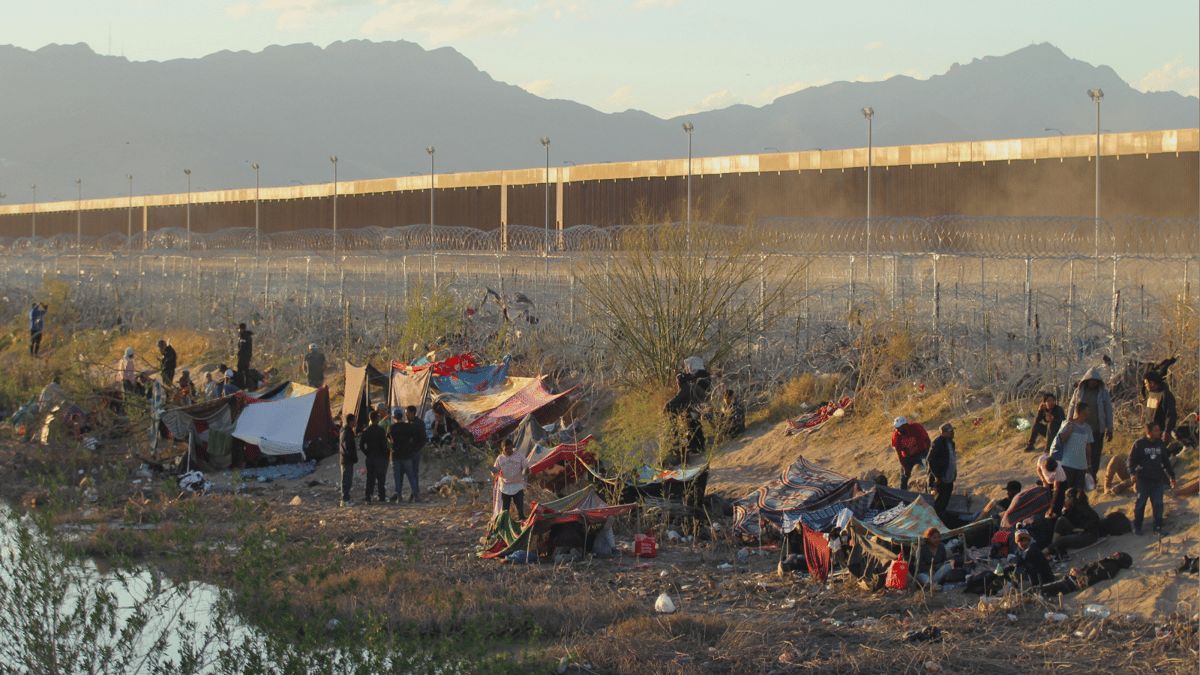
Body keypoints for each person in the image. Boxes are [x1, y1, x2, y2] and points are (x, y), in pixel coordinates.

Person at [1128, 422, 1177, 535]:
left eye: (1159, 430)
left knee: (1158, 504)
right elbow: (1131, 461)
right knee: (1140, 505)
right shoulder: (1139, 444)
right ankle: (1137, 527)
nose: (1159, 432)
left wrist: (1172, 477)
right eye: (1156, 430)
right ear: (1149, 432)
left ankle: (1158, 527)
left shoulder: (1160, 444)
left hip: (1157, 480)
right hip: (1143, 481)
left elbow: (1166, 462)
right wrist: (1132, 473)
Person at [1065, 367, 1113, 480]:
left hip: (1097, 429)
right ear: (1086, 380)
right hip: (1080, 429)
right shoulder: (1079, 391)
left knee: (1095, 455)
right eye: (1091, 380)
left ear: (1098, 381)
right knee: (1080, 454)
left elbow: (1108, 410)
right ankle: (1080, 477)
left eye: (1095, 380)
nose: (1093, 382)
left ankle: (1092, 477)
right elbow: (1072, 407)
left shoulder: (1103, 393)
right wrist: (1068, 423)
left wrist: (1109, 428)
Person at [1048, 402, 1092, 515]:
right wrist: (1069, 429)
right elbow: (1061, 439)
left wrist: (1089, 465)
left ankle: (1075, 515)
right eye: (1087, 411)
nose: (1089, 413)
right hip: (1067, 464)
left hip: (1081, 466)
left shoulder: (1088, 428)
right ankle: (1057, 514)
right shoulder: (1068, 424)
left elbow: (1088, 448)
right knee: (1063, 492)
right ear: (1081, 412)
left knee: (1078, 494)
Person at [1046, 488, 1101, 559]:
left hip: (1089, 536)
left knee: (1061, 540)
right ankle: (1054, 548)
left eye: (1067, 498)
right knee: (1061, 520)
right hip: (1079, 531)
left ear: (1072, 499)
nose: (1065, 500)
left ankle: (1044, 553)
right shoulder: (1072, 507)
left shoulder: (1082, 507)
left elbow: (1095, 519)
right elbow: (1067, 520)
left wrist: (1083, 529)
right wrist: (1063, 512)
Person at [491, 438, 530, 520]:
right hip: (505, 487)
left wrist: (525, 471)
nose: (508, 450)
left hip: (518, 485)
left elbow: (525, 467)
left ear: (512, 446)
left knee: (520, 507)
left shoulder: (519, 456)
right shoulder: (499, 458)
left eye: (510, 448)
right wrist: (493, 471)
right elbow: (495, 471)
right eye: (506, 449)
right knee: (505, 510)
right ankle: (506, 523)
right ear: (502, 449)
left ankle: (521, 520)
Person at [890, 416, 931, 490]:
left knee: (930, 468)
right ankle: (903, 492)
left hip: (921, 452)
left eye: (899, 427)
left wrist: (928, 453)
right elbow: (899, 453)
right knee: (904, 475)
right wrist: (904, 466)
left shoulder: (916, 428)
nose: (897, 429)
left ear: (905, 425)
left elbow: (927, 439)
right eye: (896, 427)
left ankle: (932, 488)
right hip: (907, 456)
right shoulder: (896, 435)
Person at [927, 423, 957, 517]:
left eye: (952, 431)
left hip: (949, 478)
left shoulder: (951, 443)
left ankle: (942, 517)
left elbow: (951, 459)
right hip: (941, 479)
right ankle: (936, 519)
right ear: (943, 433)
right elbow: (930, 460)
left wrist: (954, 473)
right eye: (950, 431)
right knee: (939, 502)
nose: (953, 433)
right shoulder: (938, 443)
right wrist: (937, 477)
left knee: (945, 499)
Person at [360, 410, 390, 503]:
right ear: (376, 418)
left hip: (370, 458)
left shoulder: (366, 431)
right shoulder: (381, 430)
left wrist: (367, 453)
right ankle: (382, 497)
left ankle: (368, 497)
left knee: (370, 479)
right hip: (380, 457)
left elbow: (361, 445)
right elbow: (384, 445)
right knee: (381, 478)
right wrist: (386, 455)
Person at [1141, 372, 1178, 443]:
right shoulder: (1149, 394)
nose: (1145, 385)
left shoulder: (1165, 395)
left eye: (1146, 383)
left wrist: (1167, 431)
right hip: (1149, 434)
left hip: (1160, 435)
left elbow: (1171, 415)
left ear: (1152, 383)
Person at [339, 413, 358, 506]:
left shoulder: (345, 430)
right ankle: (344, 500)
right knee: (346, 480)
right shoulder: (347, 432)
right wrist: (353, 457)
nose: (356, 422)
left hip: (346, 459)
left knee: (347, 479)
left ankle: (346, 498)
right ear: (351, 421)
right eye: (354, 420)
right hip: (347, 460)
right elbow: (347, 447)